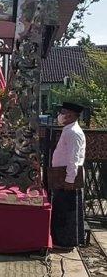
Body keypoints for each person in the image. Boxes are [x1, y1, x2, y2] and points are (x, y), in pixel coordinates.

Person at [50, 102, 87, 250]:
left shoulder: (73, 132)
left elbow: (74, 158)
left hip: (68, 176)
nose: (60, 115)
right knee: (61, 209)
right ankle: (62, 240)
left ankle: (65, 242)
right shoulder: (68, 130)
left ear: (70, 115)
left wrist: (69, 180)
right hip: (63, 175)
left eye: (63, 112)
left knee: (67, 211)